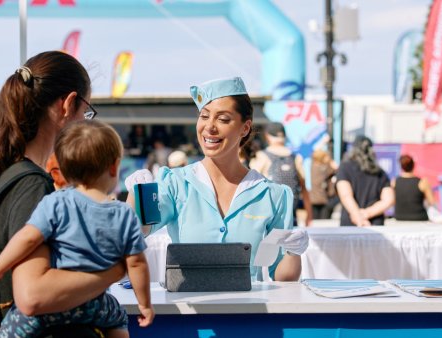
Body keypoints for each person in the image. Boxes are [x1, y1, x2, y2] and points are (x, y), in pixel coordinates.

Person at [0, 51, 125, 337]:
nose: (85, 123)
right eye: (86, 113)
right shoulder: (32, 185)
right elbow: (32, 295)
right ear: (68, 104)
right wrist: (113, 273)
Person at [0, 120, 153, 338]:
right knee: (118, 317)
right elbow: (137, 264)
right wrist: (144, 304)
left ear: (64, 169)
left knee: (10, 328)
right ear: (114, 167)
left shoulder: (56, 203)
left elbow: (27, 238)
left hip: (53, 305)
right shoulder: (123, 213)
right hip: (95, 304)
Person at [125, 77, 308, 282]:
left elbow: (283, 277)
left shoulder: (272, 195)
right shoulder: (176, 184)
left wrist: (294, 251)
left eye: (223, 119)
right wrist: (136, 196)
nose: (209, 127)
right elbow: (137, 231)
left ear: (245, 128)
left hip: (248, 310)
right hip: (188, 310)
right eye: (204, 116)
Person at [249, 122, 313, 226]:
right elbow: (304, 188)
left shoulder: (261, 156)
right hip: (291, 215)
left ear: (267, 136)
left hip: (267, 216)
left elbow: (250, 186)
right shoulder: (295, 157)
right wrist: (309, 215)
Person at [336, 135, 394, 226]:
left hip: (350, 225)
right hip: (375, 224)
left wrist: (358, 216)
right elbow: (388, 200)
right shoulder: (380, 172)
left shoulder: (344, 168)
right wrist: (367, 213)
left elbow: (345, 195)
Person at [391, 154, 436, 221]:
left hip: (399, 217)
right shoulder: (422, 182)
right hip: (419, 217)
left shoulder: (394, 182)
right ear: (413, 165)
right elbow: (432, 202)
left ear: (401, 167)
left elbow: (392, 201)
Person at [309, 149, 339, 219]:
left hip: (313, 198)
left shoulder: (312, 166)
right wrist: (332, 163)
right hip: (323, 199)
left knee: (315, 221)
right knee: (323, 222)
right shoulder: (324, 168)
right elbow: (337, 169)